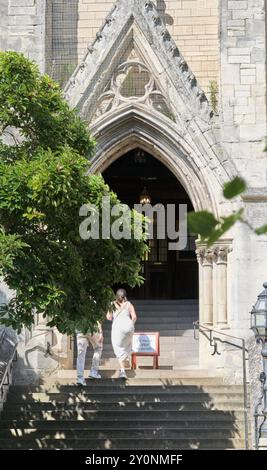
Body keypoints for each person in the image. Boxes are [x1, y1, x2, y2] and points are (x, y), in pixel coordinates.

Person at [106, 288, 137, 379]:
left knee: (118, 348)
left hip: (118, 327)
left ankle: (122, 371)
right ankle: (126, 357)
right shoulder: (129, 304)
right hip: (128, 326)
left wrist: (113, 317)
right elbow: (134, 317)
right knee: (127, 344)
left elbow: (108, 317)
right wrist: (131, 324)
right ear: (125, 295)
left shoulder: (112, 304)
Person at [76, 321, 103, 386]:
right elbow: (98, 318)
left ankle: (80, 378)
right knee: (98, 348)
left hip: (80, 329)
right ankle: (94, 372)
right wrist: (101, 332)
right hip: (91, 327)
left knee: (80, 354)